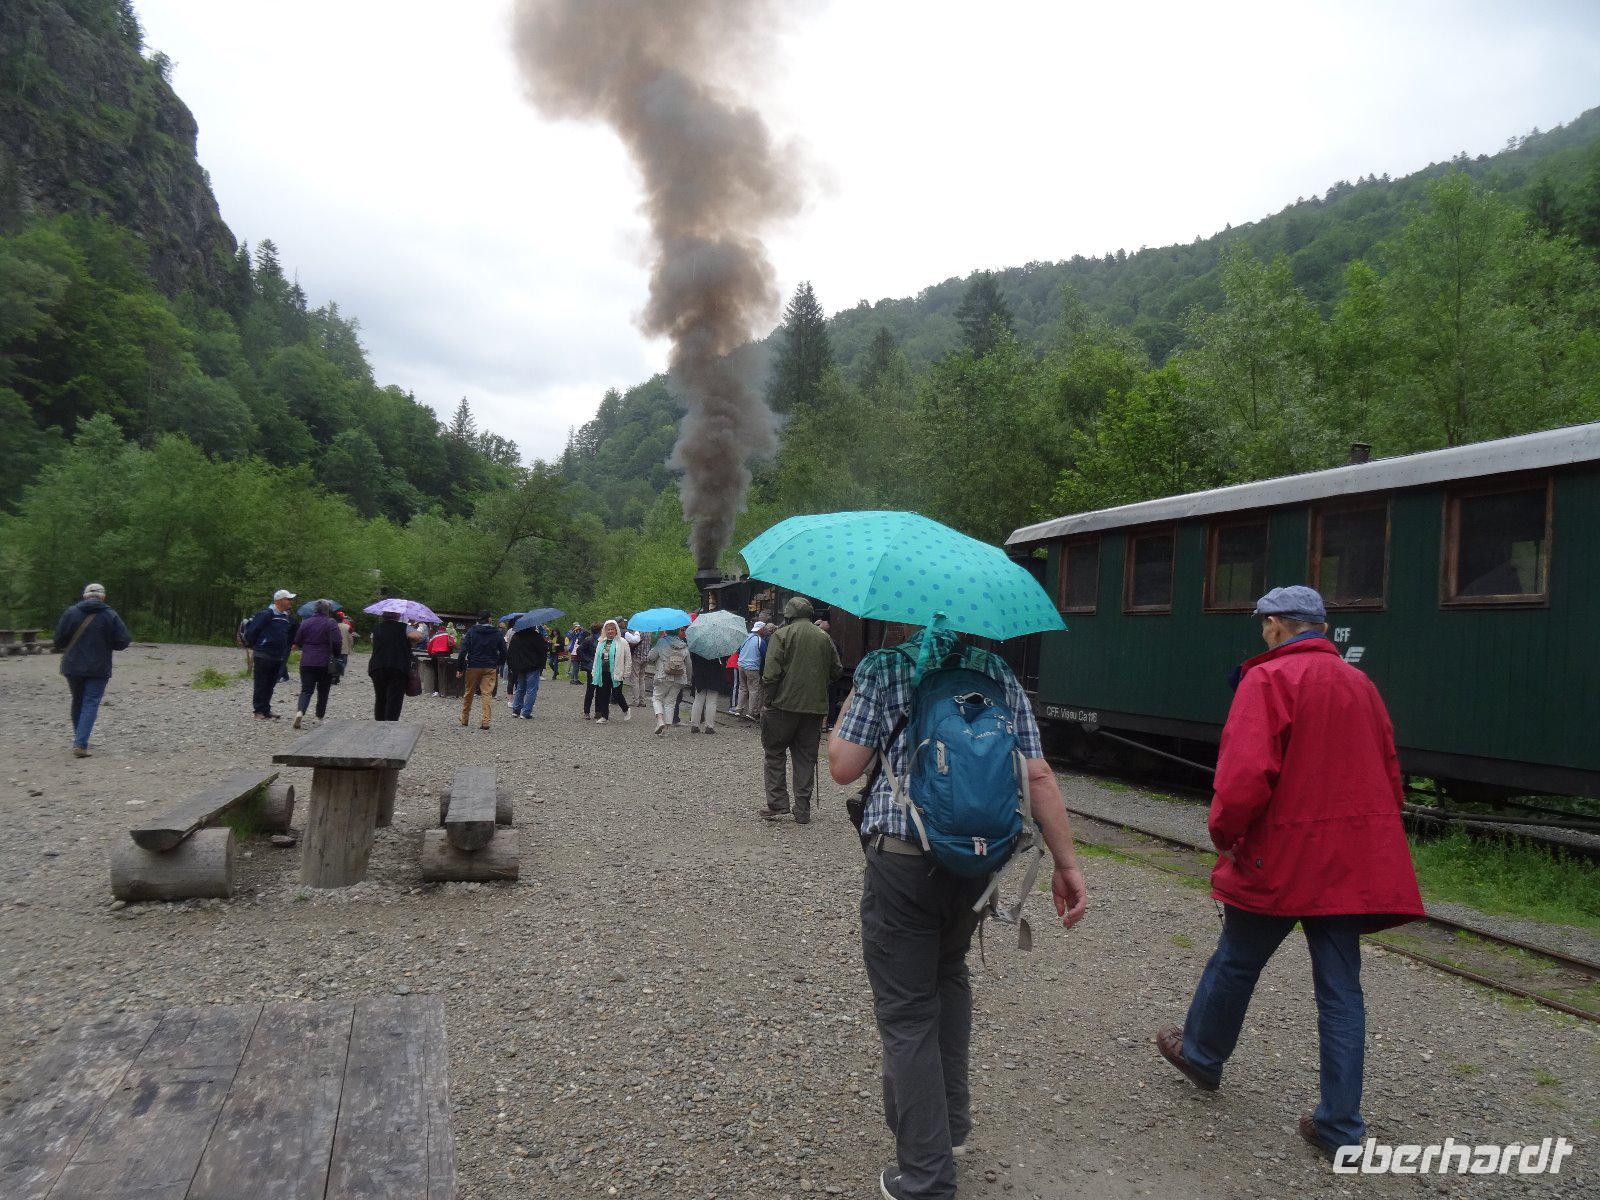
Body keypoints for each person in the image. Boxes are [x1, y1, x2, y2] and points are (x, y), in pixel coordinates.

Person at [1155, 585, 1424, 1160]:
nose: (1262, 634)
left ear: (1278, 624)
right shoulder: (1360, 684)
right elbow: (1390, 770)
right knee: (1341, 991)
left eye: (1263, 625)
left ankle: (1202, 1055)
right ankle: (1341, 1126)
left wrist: (1225, 835)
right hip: (1347, 865)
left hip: (1278, 857)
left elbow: (1245, 775)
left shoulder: (1268, 679)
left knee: (1237, 959)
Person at [828, 625, 1088, 1200]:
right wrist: (1067, 865)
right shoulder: (996, 673)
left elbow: (843, 767)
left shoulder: (883, 668)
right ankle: (953, 1126)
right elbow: (1037, 774)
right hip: (976, 863)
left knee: (906, 1010)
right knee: (948, 976)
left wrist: (850, 705)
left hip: (903, 861)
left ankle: (925, 1174)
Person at [756, 597, 842, 822]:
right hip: (814, 710)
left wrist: (769, 700)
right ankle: (803, 809)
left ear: (788, 614)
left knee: (774, 753)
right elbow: (837, 671)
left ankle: (777, 803)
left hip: (782, 707)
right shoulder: (825, 638)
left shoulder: (781, 635)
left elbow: (771, 673)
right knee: (805, 758)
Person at [53, 582, 132, 758]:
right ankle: (80, 743)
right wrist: (107, 644)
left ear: (84, 596)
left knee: (78, 701)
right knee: (90, 703)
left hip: (72, 666)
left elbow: (58, 639)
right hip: (98, 667)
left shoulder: (71, 612)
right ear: (103, 597)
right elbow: (124, 640)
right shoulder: (110, 615)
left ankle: (79, 739)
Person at [242, 589, 297, 720]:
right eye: (288, 599)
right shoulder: (266, 614)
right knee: (261, 683)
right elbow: (253, 631)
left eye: (290, 599)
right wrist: (257, 644)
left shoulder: (285, 617)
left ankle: (266, 709)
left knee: (271, 684)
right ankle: (258, 711)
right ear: (279, 601)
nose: (290, 602)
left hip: (278, 655)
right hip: (263, 653)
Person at [290, 601, 343, 729]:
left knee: (306, 690)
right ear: (328, 611)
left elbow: (297, 641)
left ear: (315, 610)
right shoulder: (331, 623)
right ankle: (318, 716)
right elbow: (337, 642)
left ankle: (300, 711)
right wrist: (336, 655)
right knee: (323, 690)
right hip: (325, 661)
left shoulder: (305, 623)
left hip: (307, 661)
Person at [368, 610, 421, 720]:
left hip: (377, 666)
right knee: (395, 698)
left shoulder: (377, 628)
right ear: (397, 615)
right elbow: (417, 636)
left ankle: (379, 724)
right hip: (398, 666)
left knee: (380, 698)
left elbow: (374, 642)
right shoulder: (403, 627)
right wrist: (409, 642)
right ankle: (390, 725)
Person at [457, 611, 505, 730]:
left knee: (469, 692)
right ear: (489, 620)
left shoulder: (472, 631)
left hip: (473, 665)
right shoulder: (497, 633)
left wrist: (460, 668)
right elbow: (504, 651)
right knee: (487, 693)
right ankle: (485, 721)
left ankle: (464, 719)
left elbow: (463, 651)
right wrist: (498, 662)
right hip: (490, 666)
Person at [645, 625, 691, 735]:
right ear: (677, 631)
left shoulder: (662, 642)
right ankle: (666, 729)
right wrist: (689, 679)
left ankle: (660, 720)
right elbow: (689, 664)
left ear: (667, 631)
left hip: (663, 675)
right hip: (679, 678)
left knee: (657, 698)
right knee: (670, 702)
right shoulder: (684, 645)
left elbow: (651, 657)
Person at [588, 619, 633, 723]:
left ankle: (626, 709)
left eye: (612, 629)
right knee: (604, 694)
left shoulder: (622, 642)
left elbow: (628, 658)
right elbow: (597, 658)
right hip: (603, 672)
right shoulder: (601, 642)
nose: (610, 631)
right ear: (605, 630)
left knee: (617, 694)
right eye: (608, 629)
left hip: (617, 672)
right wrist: (594, 671)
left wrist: (626, 672)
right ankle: (604, 716)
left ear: (616, 630)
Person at [507, 621, 549, 719]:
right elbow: (543, 651)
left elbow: (511, 652)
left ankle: (516, 709)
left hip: (520, 666)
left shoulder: (516, 636)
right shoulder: (536, 636)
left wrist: (512, 665)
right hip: (533, 666)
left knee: (520, 688)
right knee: (531, 689)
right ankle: (526, 712)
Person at [733, 621, 772, 720]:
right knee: (754, 690)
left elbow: (738, 650)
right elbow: (765, 655)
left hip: (741, 665)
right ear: (760, 629)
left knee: (743, 688)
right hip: (752, 668)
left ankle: (739, 709)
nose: (765, 631)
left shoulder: (746, 637)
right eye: (764, 629)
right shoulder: (760, 641)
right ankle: (752, 712)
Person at [688, 642, 727, 734]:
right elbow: (724, 658)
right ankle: (709, 726)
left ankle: (694, 725)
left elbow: (692, 659)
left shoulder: (696, 644)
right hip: (714, 674)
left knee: (698, 699)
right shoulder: (719, 644)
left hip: (699, 674)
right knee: (712, 701)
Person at [426, 625, 456, 696]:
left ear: (438, 630)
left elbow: (429, 647)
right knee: (445, 672)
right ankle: (446, 690)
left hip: (435, 655)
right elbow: (454, 644)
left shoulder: (434, 636)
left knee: (436, 673)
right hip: (446, 654)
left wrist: (430, 655)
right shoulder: (448, 636)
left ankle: (436, 691)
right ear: (444, 630)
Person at [333, 610, 355, 683]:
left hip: (334, 647)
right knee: (343, 662)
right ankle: (337, 675)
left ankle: (335, 675)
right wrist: (351, 646)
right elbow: (350, 638)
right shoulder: (348, 627)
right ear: (343, 618)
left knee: (335, 661)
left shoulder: (333, 626)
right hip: (344, 648)